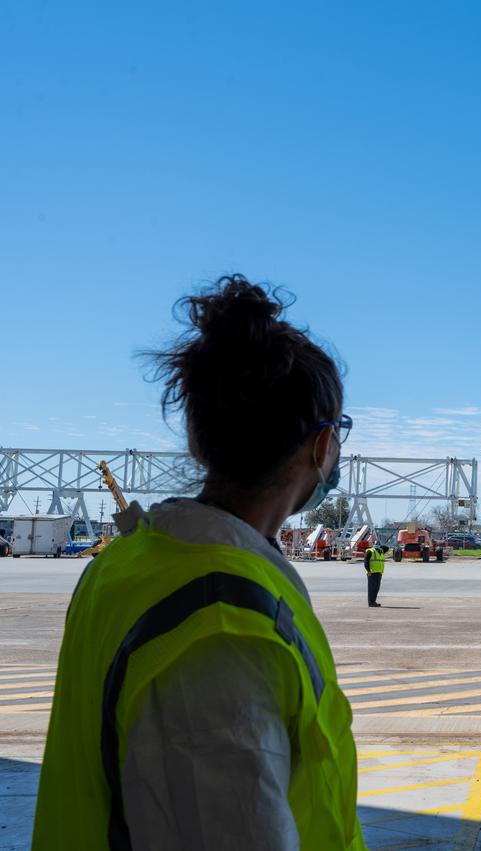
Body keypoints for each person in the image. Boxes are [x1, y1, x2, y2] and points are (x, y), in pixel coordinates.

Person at [34, 276, 365, 849]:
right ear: (321, 448)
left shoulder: (133, 562)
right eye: (339, 431)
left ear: (195, 440)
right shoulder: (220, 625)